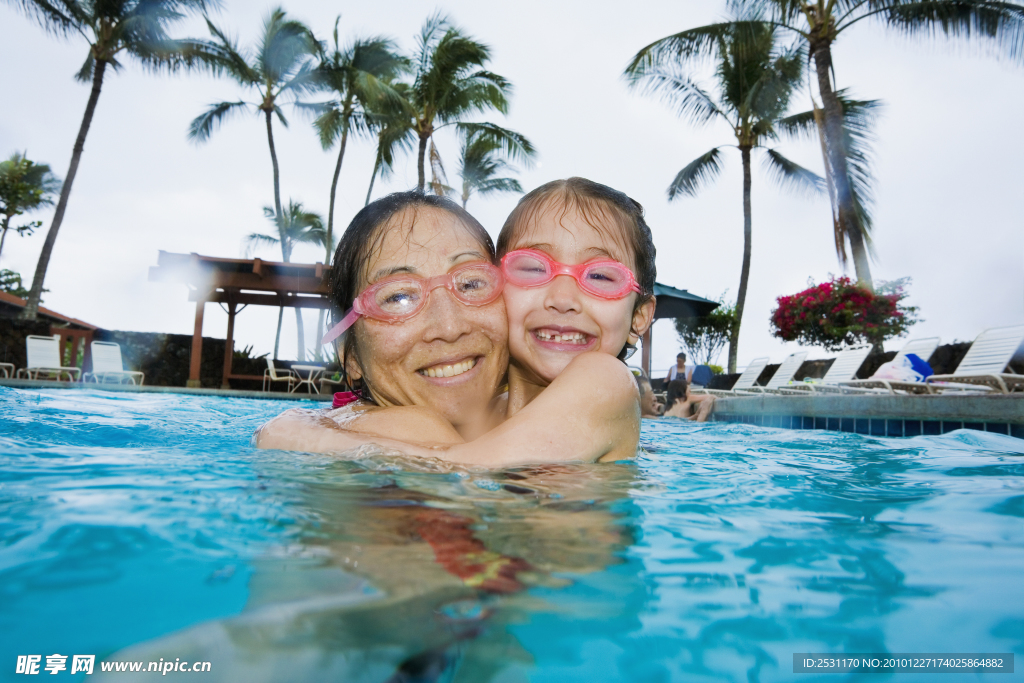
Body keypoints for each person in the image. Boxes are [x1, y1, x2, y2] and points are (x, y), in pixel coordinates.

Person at [256, 182, 658, 465]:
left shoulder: (605, 381)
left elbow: (471, 468)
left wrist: (314, 440)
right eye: (398, 296)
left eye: (470, 283)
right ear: (350, 355)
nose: (562, 299)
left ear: (640, 314)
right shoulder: (392, 425)